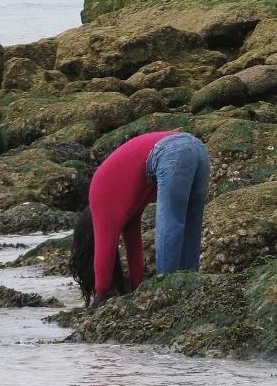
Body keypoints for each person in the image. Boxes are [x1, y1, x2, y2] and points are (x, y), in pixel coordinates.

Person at [70, 131, 210, 307]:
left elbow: (105, 249)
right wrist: (138, 288)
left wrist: (101, 295)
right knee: (191, 228)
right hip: (197, 147)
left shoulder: (99, 203)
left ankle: (166, 292)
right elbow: (134, 248)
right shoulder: (126, 209)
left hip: (171, 151)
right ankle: (191, 287)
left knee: (170, 226)